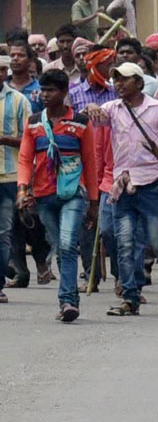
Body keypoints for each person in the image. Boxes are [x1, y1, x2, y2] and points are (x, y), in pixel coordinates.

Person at [86, 62, 158, 316]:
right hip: (122, 184)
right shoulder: (113, 108)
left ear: (139, 83)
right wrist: (90, 108)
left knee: (157, 242)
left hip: (151, 183)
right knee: (124, 242)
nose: (119, 84)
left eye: (125, 79)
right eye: (117, 79)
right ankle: (130, 297)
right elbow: (94, 115)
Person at [16, 70, 98, 322]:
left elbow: (90, 162)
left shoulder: (81, 122)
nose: (45, 95)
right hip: (44, 196)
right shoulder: (33, 123)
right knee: (62, 248)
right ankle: (69, 298)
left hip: (73, 194)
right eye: (43, 90)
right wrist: (22, 189)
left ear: (63, 92)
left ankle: (68, 300)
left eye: (51, 90)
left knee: (67, 244)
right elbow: (25, 159)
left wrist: (94, 202)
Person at [0, 75, 31, 303]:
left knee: (3, 233)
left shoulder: (19, 101)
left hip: (9, 176)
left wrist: (4, 139)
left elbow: (29, 140)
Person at [7, 41, 42, 112]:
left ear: (30, 60)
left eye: (21, 55)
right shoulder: (3, 86)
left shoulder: (40, 88)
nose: (15, 58)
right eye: (12, 55)